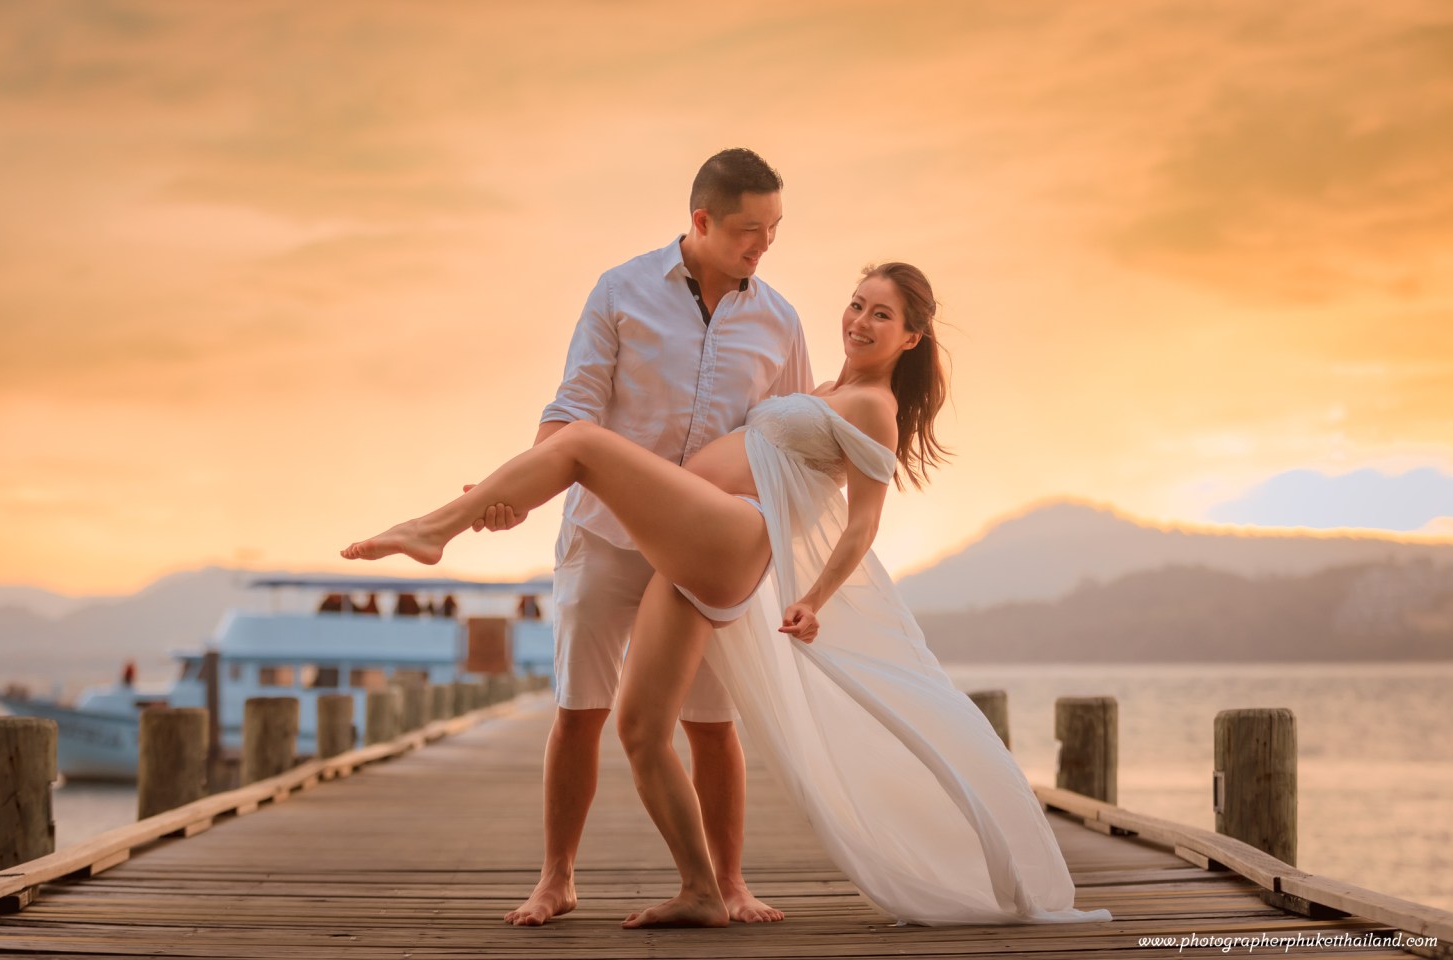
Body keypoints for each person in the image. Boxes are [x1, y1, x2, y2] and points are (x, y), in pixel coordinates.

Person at [342, 262, 1112, 929]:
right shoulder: (824, 386)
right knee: (642, 730)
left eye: (883, 314)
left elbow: (862, 524)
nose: (861, 320)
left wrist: (814, 597)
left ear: (911, 338)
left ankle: (436, 527)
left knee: (579, 447)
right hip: (693, 554)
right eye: (858, 303)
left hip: (733, 537)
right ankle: (702, 890)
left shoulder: (873, 404)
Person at [456, 148, 810, 926]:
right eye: (750, 230)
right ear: (701, 220)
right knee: (579, 710)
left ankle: (730, 883)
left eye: (775, 229)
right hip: (605, 534)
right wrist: (511, 487)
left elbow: (788, 442)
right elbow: (573, 408)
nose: (764, 245)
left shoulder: (781, 322)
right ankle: (557, 878)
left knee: (712, 724)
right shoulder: (620, 291)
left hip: (701, 557)